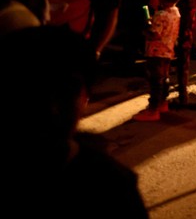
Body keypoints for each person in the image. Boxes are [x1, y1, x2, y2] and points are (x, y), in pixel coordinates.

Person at [0, 25, 149, 216]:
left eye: (65, 91)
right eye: (35, 91)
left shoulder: (112, 184)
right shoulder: (109, 185)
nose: (51, 107)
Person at [133, 0, 183, 122]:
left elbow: (154, 34)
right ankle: (162, 103)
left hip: (156, 52)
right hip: (168, 51)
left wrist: (146, 26)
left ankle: (153, 109)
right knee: (164, 78)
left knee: (155, 81)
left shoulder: (161, 15)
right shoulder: (176, 12)